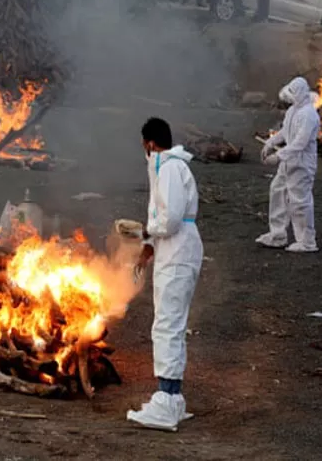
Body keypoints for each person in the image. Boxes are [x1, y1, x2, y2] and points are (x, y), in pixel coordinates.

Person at [126, 117, 203, 432]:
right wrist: (148, 246)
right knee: (171, 321)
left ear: (149, 143)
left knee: (167, 324)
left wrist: (147, 231)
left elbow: (168, 220)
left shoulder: (169, 168)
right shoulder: (167, 167)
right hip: (175, 248)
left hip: (178, 247)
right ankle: (174, 398)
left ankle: (166, 399)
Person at [257, 77, 320, 253]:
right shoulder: (293, 110)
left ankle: (306, 241)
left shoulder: (309, 114)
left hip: (302, 164)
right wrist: (270, 142)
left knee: (300, 201)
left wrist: (278, 156)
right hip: (289, 161)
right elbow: (285, 132)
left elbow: (300, 142)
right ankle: (277, 235)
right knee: (277, 191)